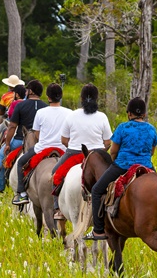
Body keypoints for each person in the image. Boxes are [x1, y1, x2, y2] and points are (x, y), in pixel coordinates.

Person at [85, 97, 157, 241]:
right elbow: (152, 151)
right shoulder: (151, 129)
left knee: (97, 190)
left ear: (129, 114)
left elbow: (113, 151)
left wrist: (114, 163)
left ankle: (98, 230)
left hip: (123, 165)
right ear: (143, 114)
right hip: (146, 165)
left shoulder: (123, 128)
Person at [51, 84, 112, 219]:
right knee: (115, 178)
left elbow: (64, 140)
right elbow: (108, 142)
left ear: (81, 98)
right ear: (97, 98)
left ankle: (58, 209)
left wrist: (73, 146)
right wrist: (99, 153)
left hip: (74, 153)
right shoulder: (102, 116)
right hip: (97, 155)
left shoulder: (72, 115)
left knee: (55, 173)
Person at [12, 82, 71, 205]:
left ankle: (22, 194)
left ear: (48, 97)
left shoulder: (41, 112)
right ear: (60, 96)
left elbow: (37, 135)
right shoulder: (69, 113)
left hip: (42, 148)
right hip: (63, 149)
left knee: (21, 162)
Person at [0, 80, 47, 194]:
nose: (26, 91)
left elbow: (12, 126)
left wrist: (7, 144)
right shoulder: (46, 107)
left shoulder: (20, 105)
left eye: (27, 89)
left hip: (20, 141)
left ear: (31, 91)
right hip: (40, 142)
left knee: (2, 154)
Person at [0, 84, 26, 193]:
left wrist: (8, 143)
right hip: (30, 138)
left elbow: (9, 118)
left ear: (17, 94)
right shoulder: (28, 102)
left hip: (17, 135)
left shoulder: (11, 100)